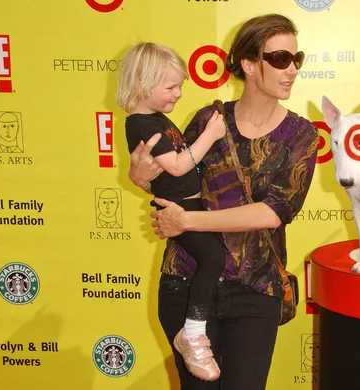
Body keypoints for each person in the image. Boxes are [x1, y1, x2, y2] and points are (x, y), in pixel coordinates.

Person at [128, 14, 319, 390]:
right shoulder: (207, 120)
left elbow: (273, 212)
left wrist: (188, 223)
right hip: (185, 280)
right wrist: (141, 179)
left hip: (255, 289)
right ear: (249, 64)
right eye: (280, 59)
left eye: (296, 60)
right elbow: (177, 183)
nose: (291, 69)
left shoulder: (301, 135)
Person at [116, 42, 227, 381]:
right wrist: (210, 135)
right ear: (141, 84)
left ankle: (194, 331)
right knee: (213, 259)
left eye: (180, 86)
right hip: (180, 208)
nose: (178, 94)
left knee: (214, 259)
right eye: (171, 87)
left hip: (190, 204)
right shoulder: (140, 122)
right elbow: (178, 166)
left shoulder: (156, 119)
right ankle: (192, 332)